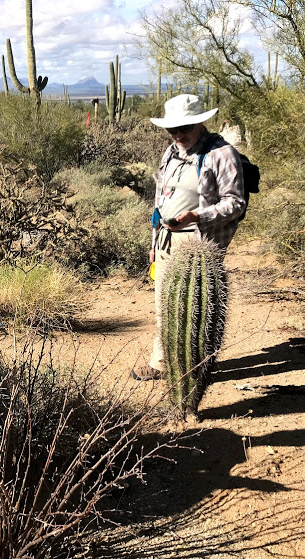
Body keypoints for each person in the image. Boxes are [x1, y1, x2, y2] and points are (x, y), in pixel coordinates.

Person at [132, 94, 245, 381]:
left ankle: (196, 367)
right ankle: (161, 363)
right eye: (173, 130)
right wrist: (154, 239)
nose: (179, 135)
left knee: (194, 309)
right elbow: (161, 199)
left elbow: (235, 202)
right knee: (164, 304)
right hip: (167, 240)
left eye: (185, 128)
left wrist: (197, 216)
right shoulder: (170, 152)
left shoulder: (222, 154)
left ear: (200, 123)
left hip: (198, 244)